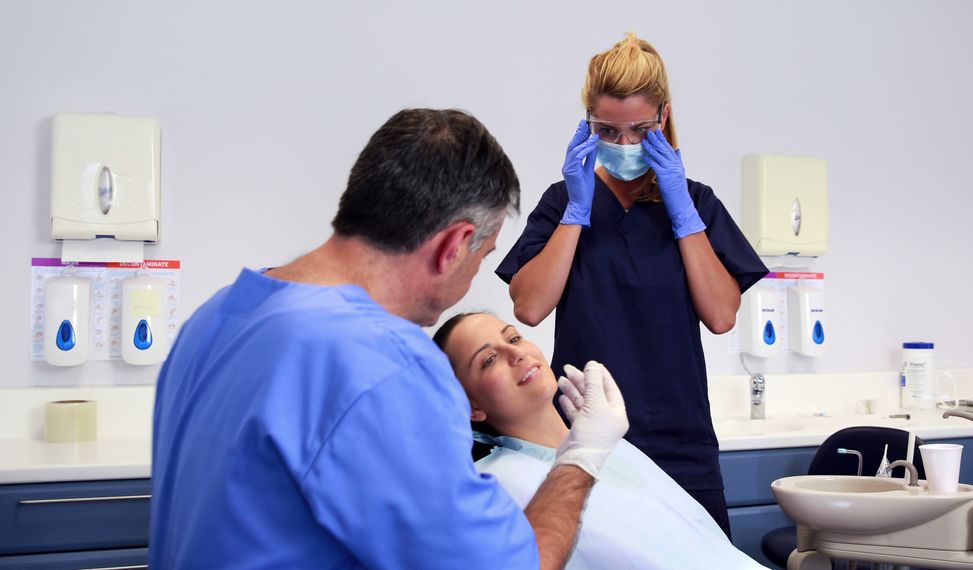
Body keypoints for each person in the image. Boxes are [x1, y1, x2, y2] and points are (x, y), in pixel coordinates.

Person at [150, 108, 629, 569]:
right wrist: (580, 459)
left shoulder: (215, 315)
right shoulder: (383, 365)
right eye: (483, 255)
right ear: (453, 246)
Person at [495, 33, 769, 537]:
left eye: (639, 130)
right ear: (588, 127)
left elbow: (722, 315)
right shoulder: (563, 203)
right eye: (608, 131)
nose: (623, 145)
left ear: (662, 119)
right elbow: (530, 308)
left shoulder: (698, 204)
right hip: (583, 443)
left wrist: (683, 214)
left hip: (681, 443)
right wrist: (577, 212)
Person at [433, 312, 765, 569]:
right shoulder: (499, 483)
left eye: (515, 338)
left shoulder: (605, 439)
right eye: (488, 360)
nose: (514, 353)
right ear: (472, 407)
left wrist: (594, 444)